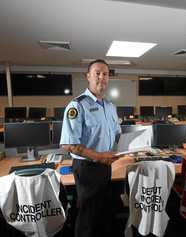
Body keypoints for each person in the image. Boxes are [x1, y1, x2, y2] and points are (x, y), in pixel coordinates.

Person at [60, 59, 121, 237]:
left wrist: (121, 149)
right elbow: (69, 144)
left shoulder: (110, 107)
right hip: (87, 168)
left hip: (105, 166)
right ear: (88, 76)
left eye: (105, 74)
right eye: (97, 73)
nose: (102, 77)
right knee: (88, 216)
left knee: (103, 212)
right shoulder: (77, 106)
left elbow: (115, 134)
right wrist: (98, 156)